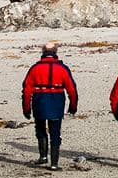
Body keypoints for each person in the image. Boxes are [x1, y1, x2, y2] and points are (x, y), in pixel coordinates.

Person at [21, 42, 78, 171]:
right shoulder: (63, 68)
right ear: (55, 52)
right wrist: (73, 106)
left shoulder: (35, 68)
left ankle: (43, 157)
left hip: (39, 101)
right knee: (55, 133)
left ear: (43, 52)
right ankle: (54, 163)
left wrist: (26, 108)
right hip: (56, 102)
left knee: (40, 129)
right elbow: (72, 89)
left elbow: (27, 89)